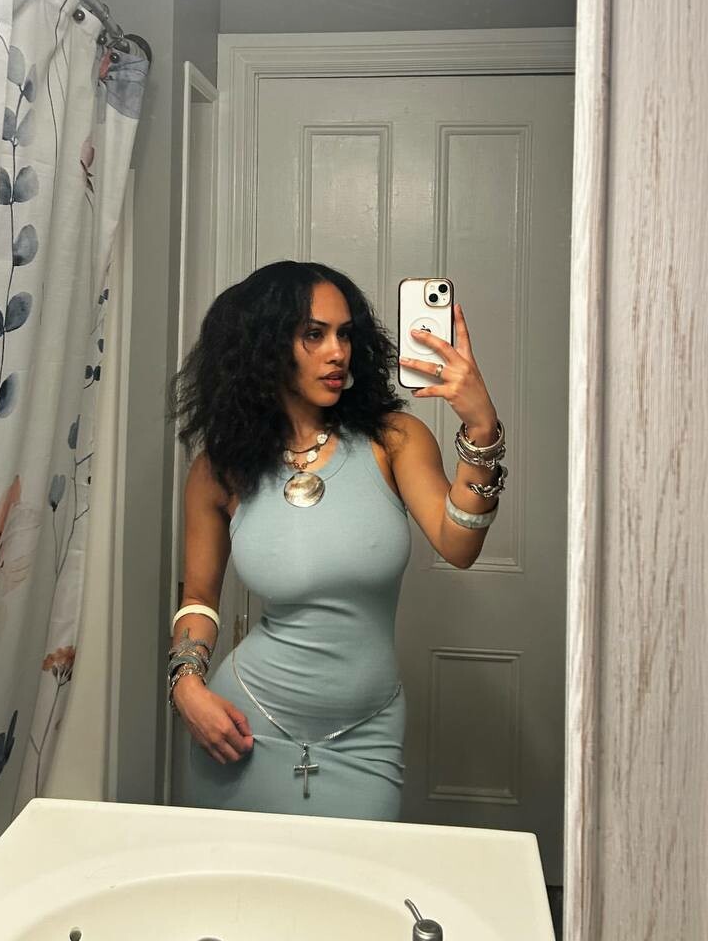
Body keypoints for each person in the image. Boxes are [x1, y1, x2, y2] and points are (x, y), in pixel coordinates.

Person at [167, 260, 506, 821]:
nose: (337, 352)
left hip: (365, 735)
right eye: (314, 334)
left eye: (345, 334)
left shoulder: (393, 440)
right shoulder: (219, 471)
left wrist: (481, 428)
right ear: (264, 346)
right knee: (238, 880)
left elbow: (459, 544)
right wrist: (187, 686)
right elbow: (199, 599)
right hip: (244, 727)